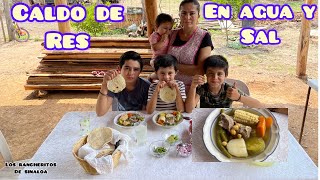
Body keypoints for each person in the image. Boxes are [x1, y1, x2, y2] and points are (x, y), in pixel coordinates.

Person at [185, 55, 263, 112]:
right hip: (206, 119)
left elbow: (258, 105)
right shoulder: (202, 89)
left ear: (225, 75)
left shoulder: (230, 90)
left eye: (219, 74)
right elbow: (189, 110)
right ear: (206, 74)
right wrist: (193, 87)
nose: (215, 77)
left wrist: (238, 97)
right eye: (211, 73)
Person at [168, 0, 213, 92]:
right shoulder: (171, 34)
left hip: (190, 89)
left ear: (198, 16)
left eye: (192, 13)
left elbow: (200, 70)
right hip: (168, 86)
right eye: (183, 13)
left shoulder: (204, 37)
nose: (187, 17)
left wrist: (170, 65)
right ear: (179, 15)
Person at [96, 51, 150, 116]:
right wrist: (104, 84)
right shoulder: (114, 84)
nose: (131, 73)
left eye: (135, 69)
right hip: (118, 120)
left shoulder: (146, 86)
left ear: (140, 71)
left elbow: (145, 113)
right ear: (119, 69)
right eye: (127, 68)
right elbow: (100, 112)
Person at [148, 13, 174, 82]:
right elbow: (155, 48)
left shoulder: (168, 35)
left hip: (165, 60)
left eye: (170, 29)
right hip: (156, 60)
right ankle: (150, 77)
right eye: (165, 28)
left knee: (166, 73)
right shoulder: (154, 36)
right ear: (156, 28)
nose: (167, 31)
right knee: (161, 73)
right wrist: (162, 40)